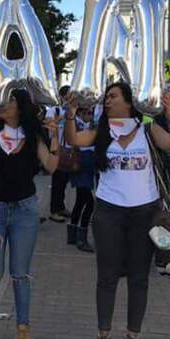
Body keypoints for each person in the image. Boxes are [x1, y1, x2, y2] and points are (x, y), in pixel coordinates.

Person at [65, 82, 170, 339]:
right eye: (106, 97)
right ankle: (103, 336)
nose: (107, 101)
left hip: (145, 212)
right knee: (106, 277)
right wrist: (70, 114)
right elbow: (75, 140)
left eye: (113, 97)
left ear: (129, 102)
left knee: (138, 277)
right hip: (108, 212)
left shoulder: (146, 128)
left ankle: (132, 338)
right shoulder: (102, 130)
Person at [0, 89, 60, 339]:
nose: (3, 105)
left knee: (20, 274)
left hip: (24, 210)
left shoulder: (34, 135)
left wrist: (54, 135)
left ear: (21, 105)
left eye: (9, 101)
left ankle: (23, 331)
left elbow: (52, 166)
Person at [67, 105, 96, 253]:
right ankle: (81, 237)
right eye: (88, 113)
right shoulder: (76, 125)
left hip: (88, 165)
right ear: (81, 113)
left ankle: (72, 234)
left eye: (92, 113)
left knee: (80, 201)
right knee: (89, 203)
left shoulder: (92, 127)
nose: (90, 116)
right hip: (81, 163)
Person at [48, 85, 72, 222]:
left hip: (68, 149)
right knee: (57, 181)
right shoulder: (54, 110)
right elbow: (49, 125)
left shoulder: (72, 111)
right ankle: (54, 210)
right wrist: (62, 117)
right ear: (62, 97)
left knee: (64, 180)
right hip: (57, 149)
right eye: (68, 95)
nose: (70, 98)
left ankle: (61, 206)